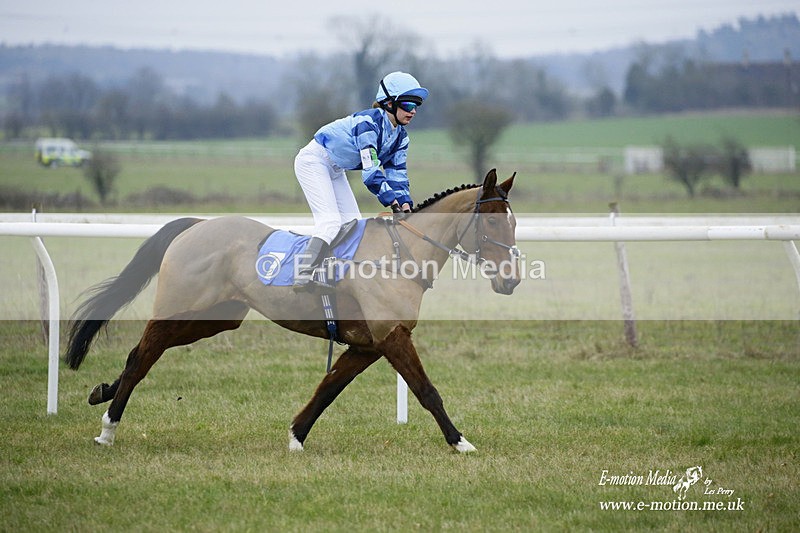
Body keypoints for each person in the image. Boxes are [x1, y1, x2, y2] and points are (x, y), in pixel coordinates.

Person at [292, 71, 429, 292]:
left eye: (417, 105)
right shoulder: (368, 122)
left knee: (354, 226)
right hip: (313, 161)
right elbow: (371, 171)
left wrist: (406, 205)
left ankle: (333, 274)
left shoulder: (401, 137)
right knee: (330, 224)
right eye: (407, 103)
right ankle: (303, 274)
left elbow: (398, 175)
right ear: (389, 104)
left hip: (336, 168)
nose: (412, 111)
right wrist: (393, 204)